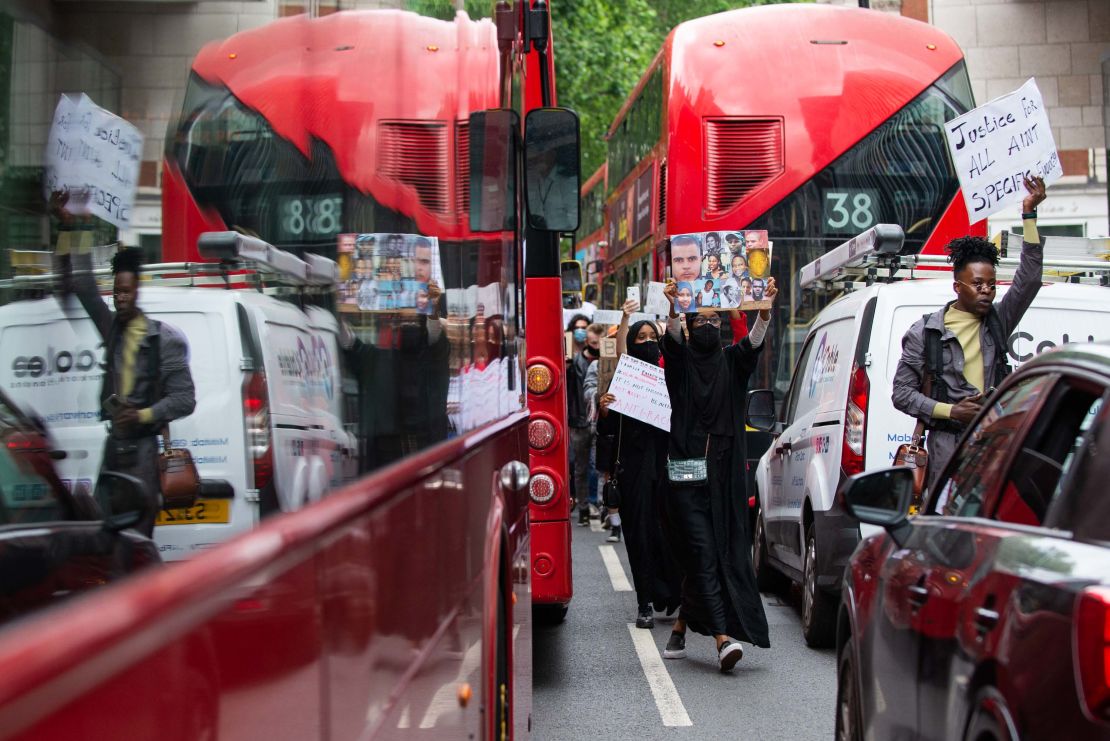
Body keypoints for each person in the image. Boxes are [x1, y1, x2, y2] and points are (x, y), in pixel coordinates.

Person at [893, 174, 1047, 489]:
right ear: (958, 286)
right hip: (945, 452)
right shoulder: (925, 332)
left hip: (992, 446)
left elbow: (1029, 279)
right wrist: (951, 411)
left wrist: (1029, 214)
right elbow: (902, 393)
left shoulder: (997, 321)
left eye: (991, 284)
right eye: (977, 284)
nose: (987, 291)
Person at [54, 200, 196, 537]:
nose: (120, 298)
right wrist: (72, 227)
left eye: (126, 292)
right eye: (117, 292)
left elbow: (185, 399)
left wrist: (143, 415)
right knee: (106, 541)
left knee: (137, 541)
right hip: (113, 451)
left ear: (137, 292)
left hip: (144, 453)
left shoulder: (163, 340)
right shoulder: (112, 328)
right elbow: (83, 284)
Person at [659, 276, 777, 673]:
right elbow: (672, 341)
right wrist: (675, 307)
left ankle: (679, 626)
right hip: (685, 481)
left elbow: (753, 345)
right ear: (690, 328)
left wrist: (763, 311)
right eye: (701, 321)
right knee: (704, 551)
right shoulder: (680, 367)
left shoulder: (731, 362)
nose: (709, 326)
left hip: (723, 478)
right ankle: (722, 639)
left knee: (717, 550)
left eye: (715, 321)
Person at [596, 308, 683, 628]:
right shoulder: (622, 383)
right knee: (639, 537)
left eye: (653, 338)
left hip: (668, 469)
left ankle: (672, 592)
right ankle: (644, 602)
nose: (648, 343)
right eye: (641, 338)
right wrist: (605, 412)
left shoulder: (672, 377)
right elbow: (607, 434)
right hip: (633, 473)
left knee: (668, 534)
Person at [566, 314, 599, 525]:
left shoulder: (606, 361)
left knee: (597, 465)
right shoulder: (574, 361)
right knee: (579, 467)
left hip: (599, 422)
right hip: (578, 421)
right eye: (592, 341)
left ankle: (601, 506)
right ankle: (584, 507)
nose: (595, 344)